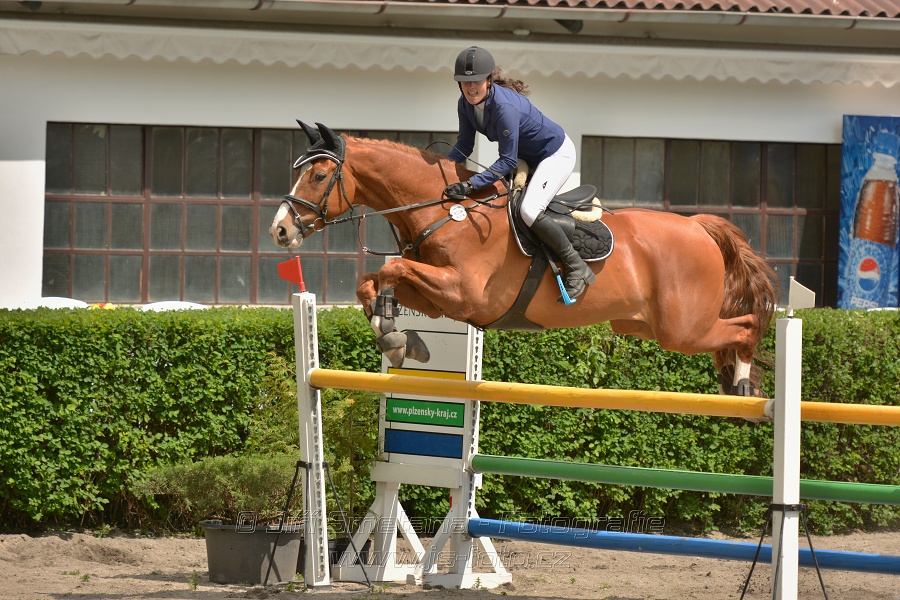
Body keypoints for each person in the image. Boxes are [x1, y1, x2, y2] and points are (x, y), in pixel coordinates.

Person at [443, 46, 595, 303]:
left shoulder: (504, 107)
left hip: (555, 154)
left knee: (529, 210)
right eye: (465, 82)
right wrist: (443, 170)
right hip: (528, 157)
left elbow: (507, 160)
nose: (470, 88)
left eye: (476, 81)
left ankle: (577, 267)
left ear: (488, 80)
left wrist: (470, 185)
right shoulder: (464, 104)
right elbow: (464, 146)